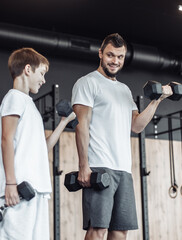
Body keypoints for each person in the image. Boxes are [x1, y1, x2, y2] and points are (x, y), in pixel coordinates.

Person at [71, 33, 172, 240]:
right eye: (110, 55)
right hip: (99, 165)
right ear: (100, 53)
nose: (115, 61)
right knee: (98, 229)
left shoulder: (124, 90)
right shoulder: (87, 83)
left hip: (124, 170)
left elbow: (136, 126)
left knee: (120, 231)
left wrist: (157, 100)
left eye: (120, 56)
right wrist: (84, 165)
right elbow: (81, 125)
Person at [0, 47, 76, 240]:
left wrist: (63, 122)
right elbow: (6, 140)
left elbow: (42, 149)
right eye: (42, 73)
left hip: (36, 189)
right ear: (28, 69)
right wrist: (10, 183)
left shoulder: (29, 104)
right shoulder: (14, 98)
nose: (44, 79)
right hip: (19, 190)